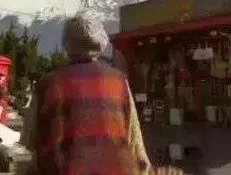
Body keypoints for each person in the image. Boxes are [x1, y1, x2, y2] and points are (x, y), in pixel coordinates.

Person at [21, 13, 151, 175]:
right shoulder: (118, 82)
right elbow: (136, 143)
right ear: (100, 43)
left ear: (67, 43)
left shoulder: (46, 85)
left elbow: (29, 141)